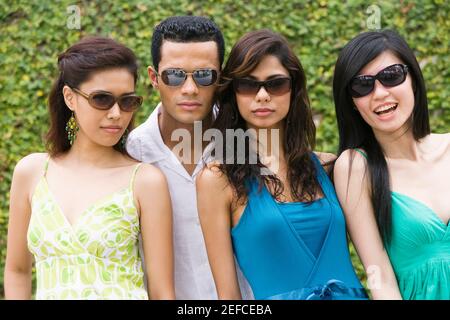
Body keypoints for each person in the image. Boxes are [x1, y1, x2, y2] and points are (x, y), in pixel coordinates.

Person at [196, 29, 368, 300]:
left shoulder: (331, 168)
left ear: (293, 89)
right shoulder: (217, 180)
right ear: (233, 93)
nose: (262, 95)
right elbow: (228, 296)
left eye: (275, 84)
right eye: (248, 84)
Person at [4, 36, 174, 300]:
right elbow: (17, 270)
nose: (117, 114)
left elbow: (162, 292)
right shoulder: (32, 172)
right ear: (70, 98)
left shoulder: (145, 181)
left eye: (127, 101)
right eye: (102, 99)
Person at [126, 15, 252, 299]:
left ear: (220, 78)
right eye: (175, 75)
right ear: (153, 78)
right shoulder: (130, 154)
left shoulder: (247, 140)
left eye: (204, 75)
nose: (190, 89)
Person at [333, 30, 449, 300]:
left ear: (414, 81)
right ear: (351, 102)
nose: (380, 93)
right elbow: (380, 278)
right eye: (362, 85)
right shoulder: (354, 168)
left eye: (391, 75)